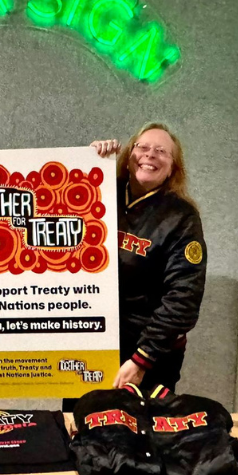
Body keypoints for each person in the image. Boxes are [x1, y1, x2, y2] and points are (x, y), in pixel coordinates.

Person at [91, 124, 206, 394]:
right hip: (94, 340)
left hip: (149, 349)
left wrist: (143, 358)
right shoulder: (99, 194)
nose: (150, 154)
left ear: (173, 168)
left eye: (161, 151)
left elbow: (184, 298)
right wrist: (88, 165)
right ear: (129, 156)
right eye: (142, 147)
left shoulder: (181, 217)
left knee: (143, 430)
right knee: (84, 423)